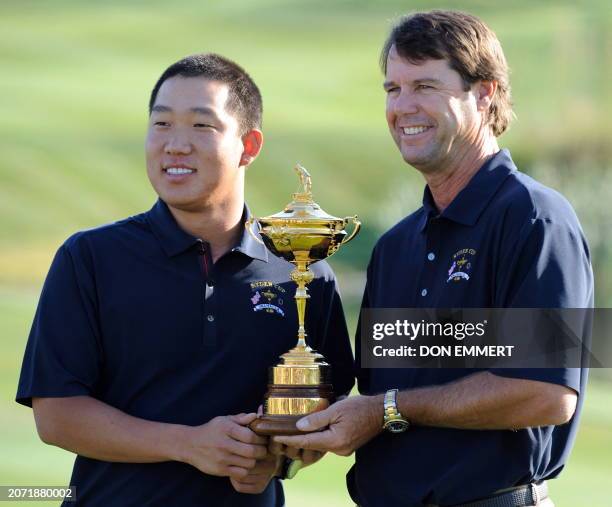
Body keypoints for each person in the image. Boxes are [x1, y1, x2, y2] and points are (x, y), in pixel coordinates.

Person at [275, 10, 593, 507]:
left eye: (425, 86)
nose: (403, 107)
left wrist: (388, 410)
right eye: (392, 90)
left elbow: (545, 393)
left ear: (484, 93)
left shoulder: (536, 218)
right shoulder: (396, 245)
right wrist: (289, 420)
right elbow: (372, 394)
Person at [16, 53, 355, 506]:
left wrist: (278, 460)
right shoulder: (91, 257)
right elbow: (56, 416)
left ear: (248, 146)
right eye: (161, 124)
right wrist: (188, 444)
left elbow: (320, 416)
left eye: (201, 126)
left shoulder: (303, 268)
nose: (175, 144)